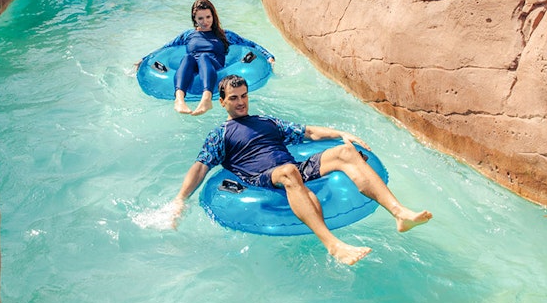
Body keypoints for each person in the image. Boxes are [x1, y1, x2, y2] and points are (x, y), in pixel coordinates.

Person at [168, 75, 432, 265]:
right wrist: (180, 199)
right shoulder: (220, 134)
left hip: (292, 167)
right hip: (263, 178)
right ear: (223, 101)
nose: (241, 102)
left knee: (346, 153)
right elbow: (200, 167)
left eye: (245, 96)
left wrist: (342, 133)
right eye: (234, 98)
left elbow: (308, 133)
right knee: (288, 172)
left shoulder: (266, 121)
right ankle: (334, 246)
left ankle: (400, 213)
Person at [153, 0, 274, 115]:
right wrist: (144, 60)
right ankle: (179, 99)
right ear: (194, 19)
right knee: (187, 58)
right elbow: (166, 48)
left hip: (213, 64)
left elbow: (250, 44)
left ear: (213, 16)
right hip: (193, 65)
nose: (205, 21)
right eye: (200, 18)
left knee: (203, 57)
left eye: (208, 17)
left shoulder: (224, 34)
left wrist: (268, 56)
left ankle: (206, 98)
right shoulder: (188, 35)